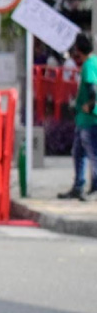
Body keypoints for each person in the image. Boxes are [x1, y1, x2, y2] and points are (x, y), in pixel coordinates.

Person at [60, 34, 97, 201]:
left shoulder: (89, 65)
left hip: (88, 118)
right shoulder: (93, 62)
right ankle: (78, 186)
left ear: (78, 50)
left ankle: (94, 187)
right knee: (78, 152)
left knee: (91, 153)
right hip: (83, 118)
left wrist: (90, 104)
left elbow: (92, 86)